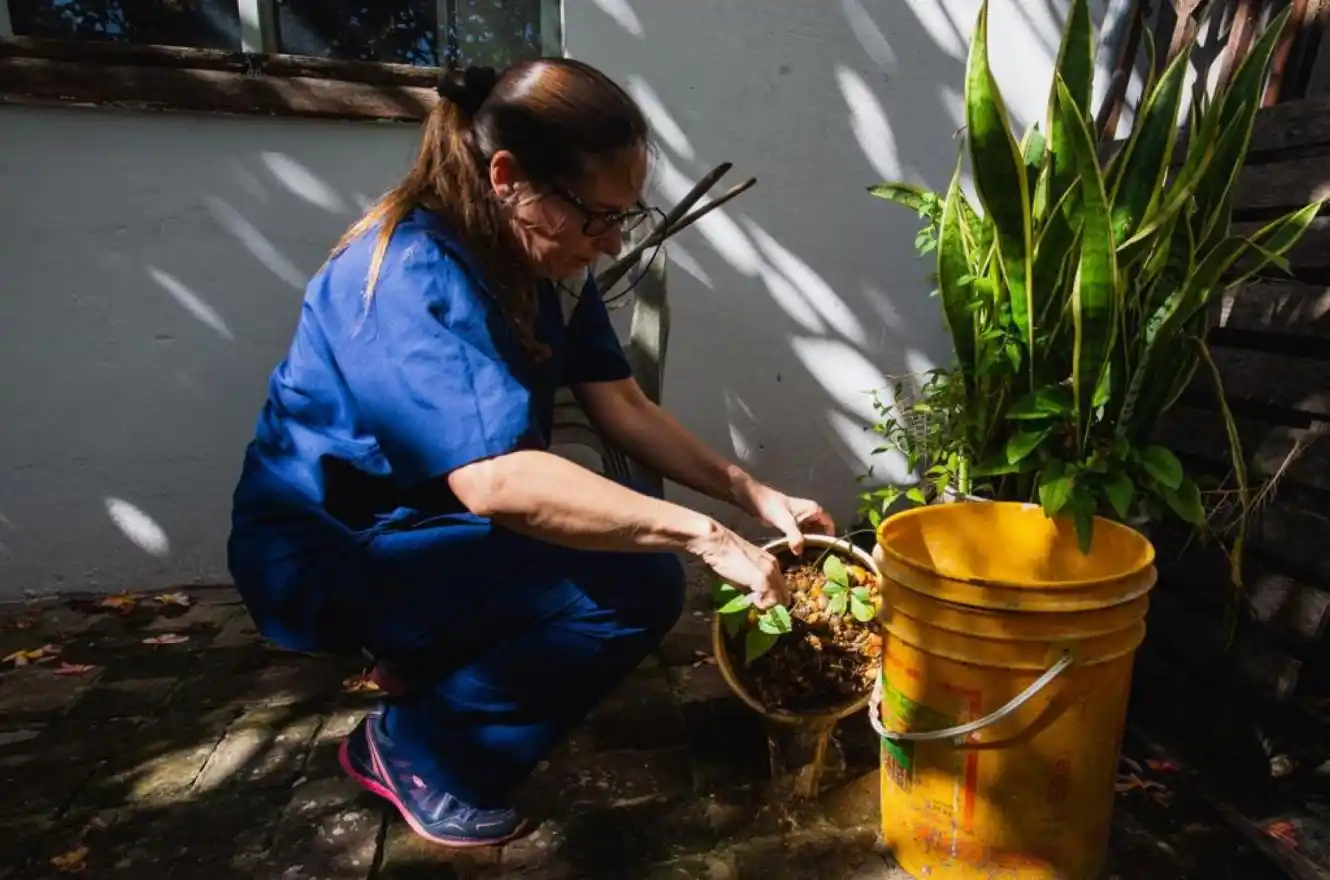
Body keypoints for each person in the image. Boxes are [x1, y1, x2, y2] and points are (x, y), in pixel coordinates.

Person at [225, 58, 835, 849]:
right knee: (632, 583)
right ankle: (415, 750)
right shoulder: (412, 272)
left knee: (597, 547)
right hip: (324, 554)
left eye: (626, 217)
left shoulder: (538, 263)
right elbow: (498, 482)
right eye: (595, 215)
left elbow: (622, 403)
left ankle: (428, 655)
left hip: (418, 527)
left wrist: (751, 495)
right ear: (508, 176)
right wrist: (701, 536)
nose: (611, 241)